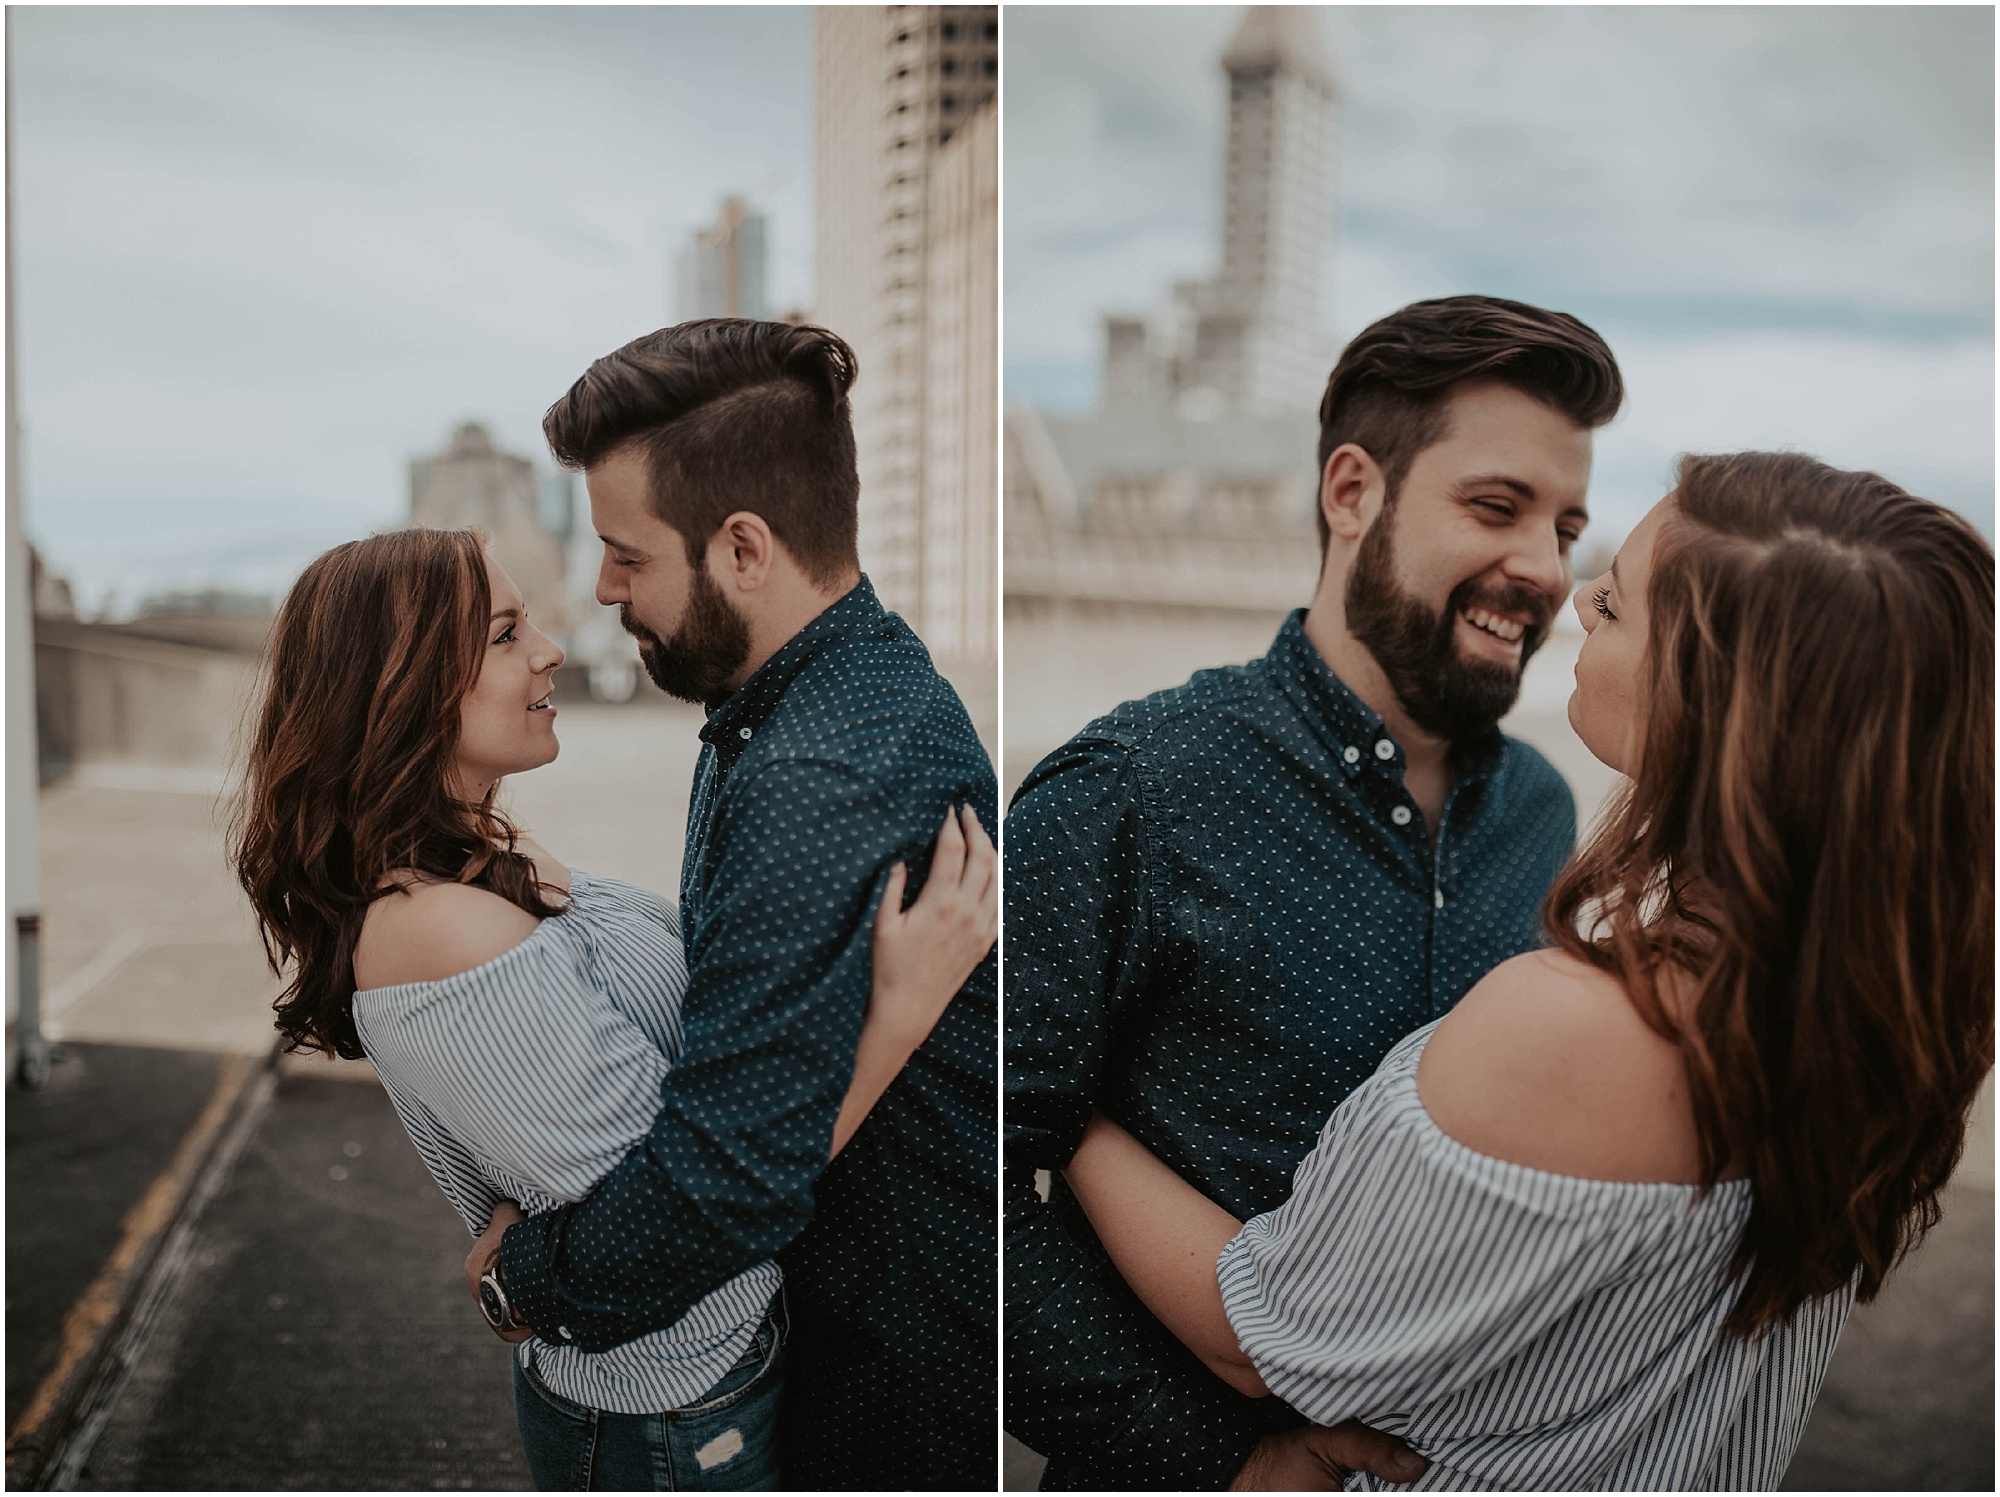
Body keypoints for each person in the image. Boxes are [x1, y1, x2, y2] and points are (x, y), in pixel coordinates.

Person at [1062, 451, 1993, 1489]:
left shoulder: (1577, 1024)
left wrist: (1074, 1111)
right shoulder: (1889, 1013)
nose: (1572, 595)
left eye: (1618, 598)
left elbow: (1255, 1335)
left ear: (1708, 692)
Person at [1004, 294, 1626, 1488]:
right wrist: (1217, 1458)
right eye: (1495, 508)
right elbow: (957, 1179)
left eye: (1566, 526)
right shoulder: (1132, 791)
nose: (1541, 569)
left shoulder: (1543, 811)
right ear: (1351, 493)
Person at [232, 528, 994, 1490]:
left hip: (701, 1376)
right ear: (402, 689)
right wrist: (900, 1009)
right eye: (506, 633)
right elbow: (694, 1197)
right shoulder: (436, 930)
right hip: (664, 1411)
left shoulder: (482, 858)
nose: (552, 646)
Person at [465, 319, 998, 1491]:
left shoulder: (821, 775)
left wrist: (522, 1283)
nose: (601, 590)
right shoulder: (814, 699)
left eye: (627, 555)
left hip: (867, 1389)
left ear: (744, 548)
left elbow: (724, 1179)